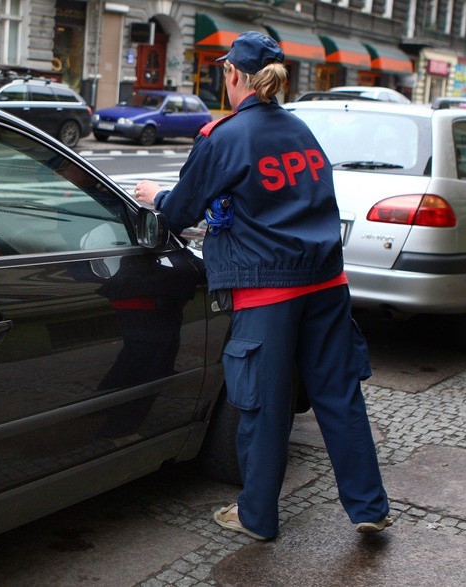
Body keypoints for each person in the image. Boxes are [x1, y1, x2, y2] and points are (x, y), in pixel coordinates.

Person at [133, 31, 391, 541]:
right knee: (339, 396)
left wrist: (155, 194)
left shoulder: (224, 136)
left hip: (266, 291)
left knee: (262, 405)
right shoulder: (301, 131)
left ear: (233, 75)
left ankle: (256, 516)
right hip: (327, 283)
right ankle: (369, 507)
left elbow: (182, 209)